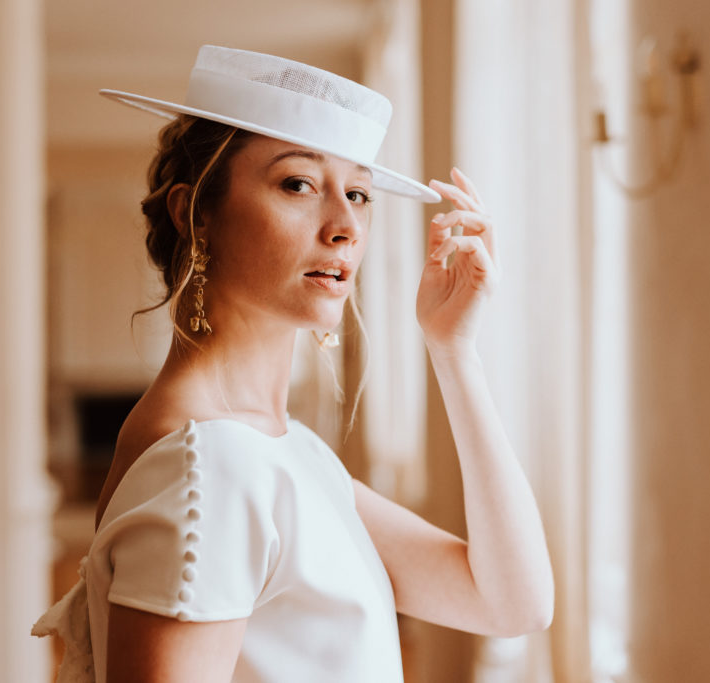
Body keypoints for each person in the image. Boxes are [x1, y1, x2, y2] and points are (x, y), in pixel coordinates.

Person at [33, 45, 553, 683]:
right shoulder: (212, 468)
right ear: (194, 213)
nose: (344, 226)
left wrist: (453, 350)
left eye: (359, 193)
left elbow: (513, 603)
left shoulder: (287, 454)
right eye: (299, 183)